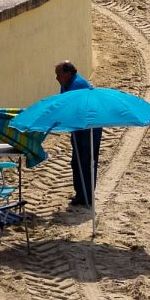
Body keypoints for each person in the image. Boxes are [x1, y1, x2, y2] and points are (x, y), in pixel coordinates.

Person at [54, 61, 101, 206]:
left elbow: (79, 109)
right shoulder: (65, 84)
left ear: (68, 73)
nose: (57, 78)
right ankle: (80, 194)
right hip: (77, 128)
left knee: (87, 162)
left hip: (89, 129)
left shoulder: (79, 86)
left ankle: (87, 197)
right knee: (76, 162)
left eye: (59, 74)